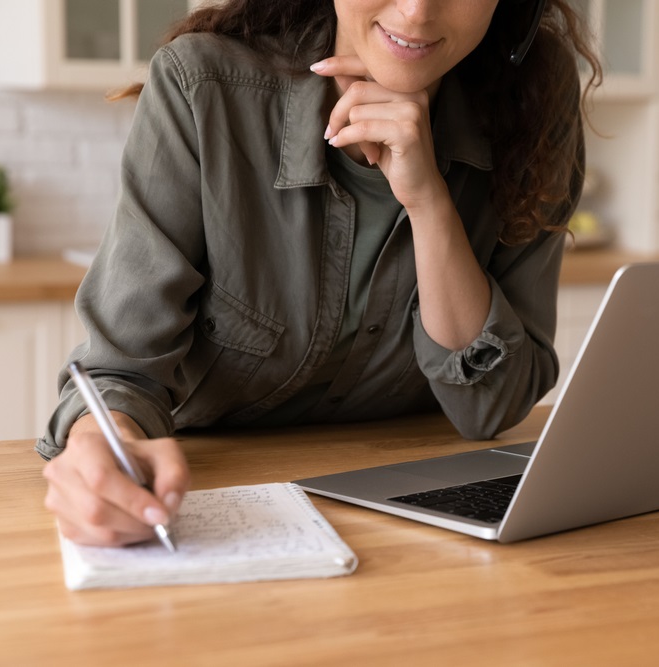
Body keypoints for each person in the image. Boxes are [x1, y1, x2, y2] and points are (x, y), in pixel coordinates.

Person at [39, 0, 601, 547]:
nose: (416, 12)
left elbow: (493, 406)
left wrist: (428, 201)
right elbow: (121, 376)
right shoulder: (203, 87)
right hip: (219, 503)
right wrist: (98, 448)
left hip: (420, 521)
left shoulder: (533, 105)